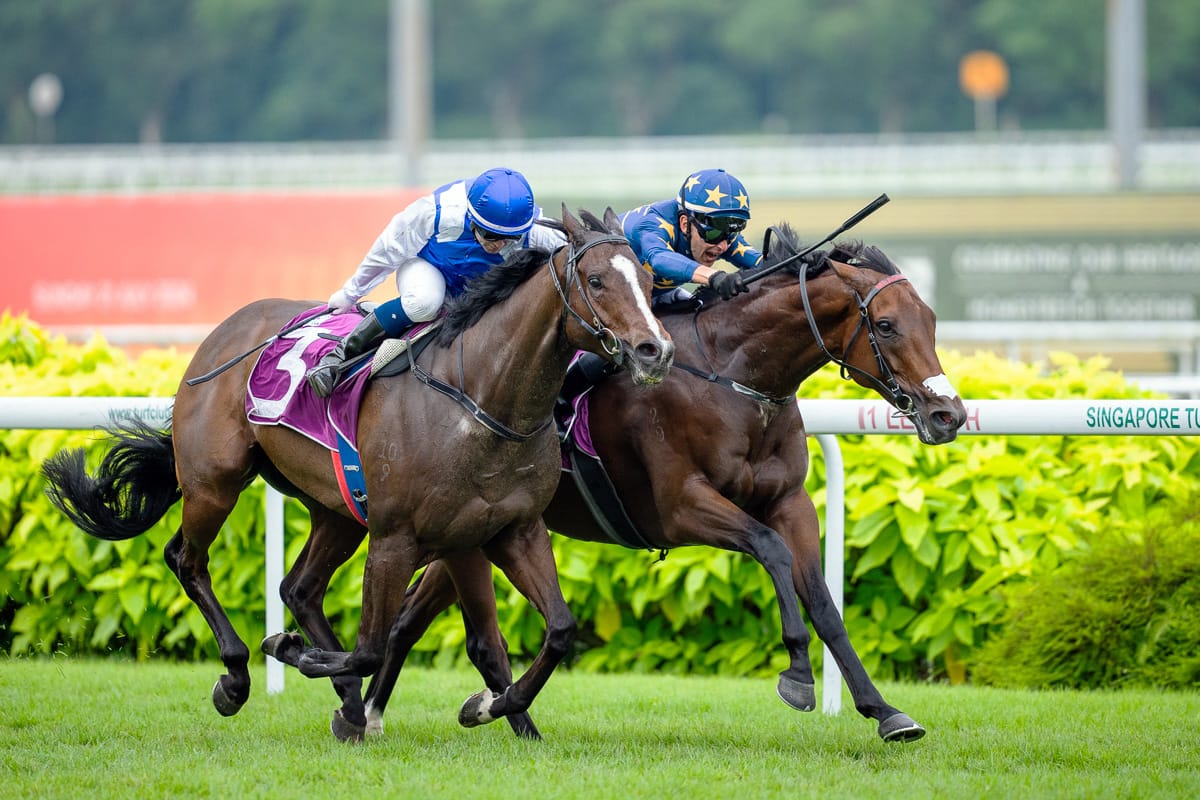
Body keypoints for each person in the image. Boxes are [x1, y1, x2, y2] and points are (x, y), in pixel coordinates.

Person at [306, 167, 565, 397]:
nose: (498, 245)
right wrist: (351, 293)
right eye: (490, 235)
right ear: (472, 218)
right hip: (429, 268)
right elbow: (387, 250)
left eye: (510, 238)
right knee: (425, 303)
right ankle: (339, 356)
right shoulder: (437, 212)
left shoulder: (538, 231)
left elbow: (585, 258)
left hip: (483, 291)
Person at [620, 168, 762, 306]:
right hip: (607, 300)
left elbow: (764, 263)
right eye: (713, 233)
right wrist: (713, 277)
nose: (723, 246)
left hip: (652, 295)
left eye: (731, 234)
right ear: (684, 223)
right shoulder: (651, 223)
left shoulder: (721, 238)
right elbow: (659, 259)